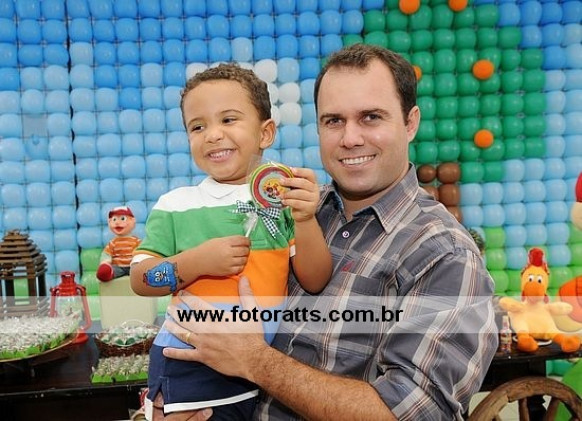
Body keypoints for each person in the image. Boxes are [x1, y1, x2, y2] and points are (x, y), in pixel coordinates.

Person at [162, 44, 498, 420]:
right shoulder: (287, 209)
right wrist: (175, 394)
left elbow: (415, 412)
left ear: (410, 123)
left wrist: (256, 361)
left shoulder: (444, 253)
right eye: (333, 121)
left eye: (371, 117)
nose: (350, 138)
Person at [130, 64, 332, 420]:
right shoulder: (176, 205)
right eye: (197, 126)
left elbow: (315, 279)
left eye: (228, 119)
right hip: (189, 361)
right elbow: (141, 279)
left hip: (259, 368)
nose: (212, 135)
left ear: (265, 133)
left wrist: (304, 219)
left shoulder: (281, 199)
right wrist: (195, 262)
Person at [96, 206, 141, 282]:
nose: (117, 222)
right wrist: (105, 262)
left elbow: (141, 252)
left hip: (132, 266)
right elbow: (106, 254)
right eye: (114, 219)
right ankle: (107, 273)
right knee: (111, 270)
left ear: (132, 221)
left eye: (122, 219)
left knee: (139, 270)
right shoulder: (113, 242)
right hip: (118, 267)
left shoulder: (136, 241)